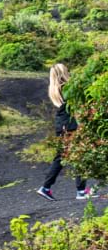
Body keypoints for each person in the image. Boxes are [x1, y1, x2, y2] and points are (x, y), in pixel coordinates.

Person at [37, 63, 92, 201]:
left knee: (61, 157)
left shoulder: (55, 89)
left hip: (62, 125)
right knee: (79, 155)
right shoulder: (66, 88)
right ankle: (80, 191)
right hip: (68, 126)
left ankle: (46, 187)